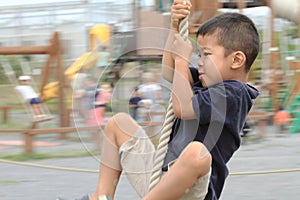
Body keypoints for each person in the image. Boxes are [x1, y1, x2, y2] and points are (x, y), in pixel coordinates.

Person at [61, 1, 260, 199]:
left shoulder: (235, 94)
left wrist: (183, 60)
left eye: (206, 55)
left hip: (194, 188)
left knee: (197, 152)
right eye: (199, 54)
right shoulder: (204, 81)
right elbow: (169, 71)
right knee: (118, 124)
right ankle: (101, 197)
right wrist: (174, 26)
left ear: (236, 60)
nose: (199, 61)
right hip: (162, 181)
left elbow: (183, 107)